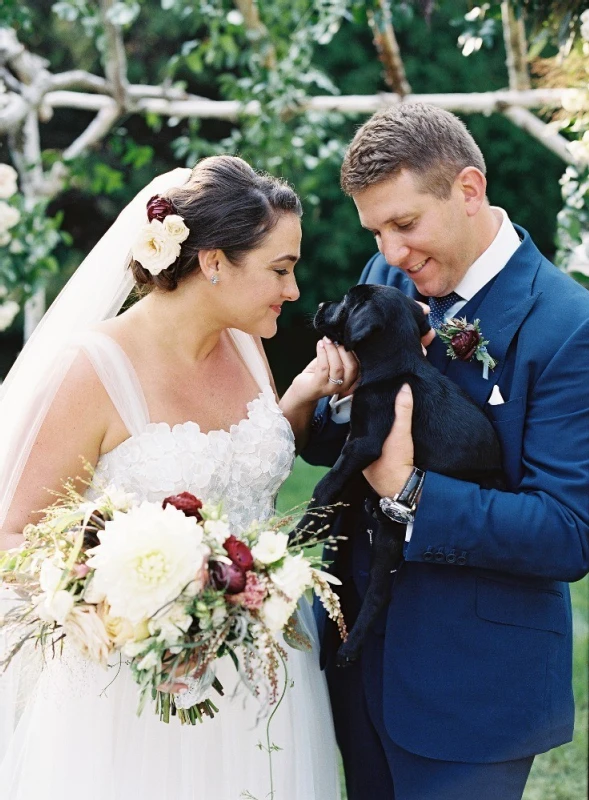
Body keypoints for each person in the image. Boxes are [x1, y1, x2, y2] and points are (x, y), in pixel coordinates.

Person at [0, 155, 358, 799]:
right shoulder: (93, 370)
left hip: (262, 672)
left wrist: (300, 400)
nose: (295, 290)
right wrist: (116, 606)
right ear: (214, 262)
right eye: (281, 269)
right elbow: (15, 534)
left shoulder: (247, 344)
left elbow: (242, 468)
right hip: (131, 690)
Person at [304, 103, 589, 800]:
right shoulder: (388, 274)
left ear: (467, 189)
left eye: (404, 224)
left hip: (475, 684)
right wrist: (335, 400)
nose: (392, 251)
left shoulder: (567, 326)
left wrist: (408, 489)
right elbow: (327, 434)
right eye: (376, 231)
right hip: (354, 650)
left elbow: (566, 533)